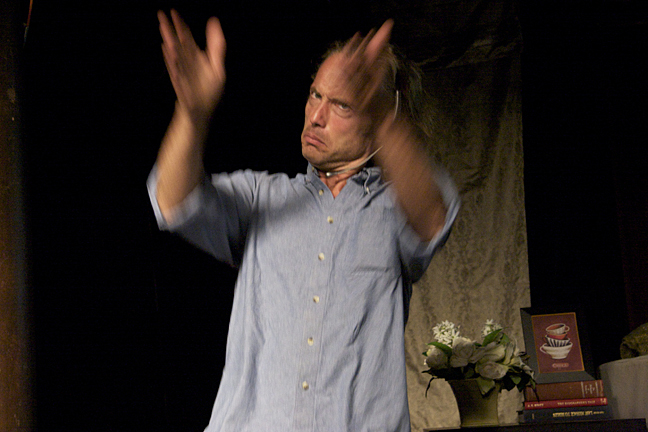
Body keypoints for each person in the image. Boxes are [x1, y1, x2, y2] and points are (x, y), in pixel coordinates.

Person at [148, 9, 460, 432]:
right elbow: (172, 200)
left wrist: (387, 123)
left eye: (342, 104)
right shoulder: (262, 197)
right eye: (316, 95)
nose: (317, 116)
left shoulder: (398, 204)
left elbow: (432, 218)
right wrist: (192, 114)